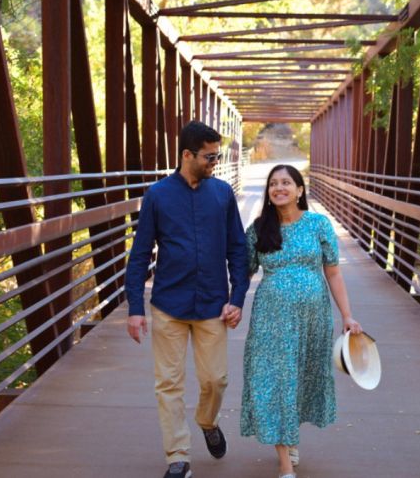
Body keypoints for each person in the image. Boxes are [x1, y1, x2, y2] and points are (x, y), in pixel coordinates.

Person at [125, 121, 249, 478]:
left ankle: (207, 421)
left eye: (218, 155)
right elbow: (140, 253)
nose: (216, 161)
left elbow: (237, 249)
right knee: (169, 383)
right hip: (168, 305)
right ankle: (177, 456)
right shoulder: (158, 195)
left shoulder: (222, 194)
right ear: (187, 155)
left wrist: (237, 297)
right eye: (210, 156)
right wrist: (135, 308)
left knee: (216, 380)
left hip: (213, 304)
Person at [240, 164, 362, 478]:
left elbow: (333, 272)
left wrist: (347, 315)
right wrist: (231, 304)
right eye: (273, 184)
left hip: (313, 319)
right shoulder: (258, 230)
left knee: (301, 379)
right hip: (271, 320)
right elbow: (243, 272)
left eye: (285, 183)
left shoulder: (319, 225)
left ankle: (289, 436)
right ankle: (284, 466)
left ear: (299, 190)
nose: (278, 188)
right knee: (276, 381)